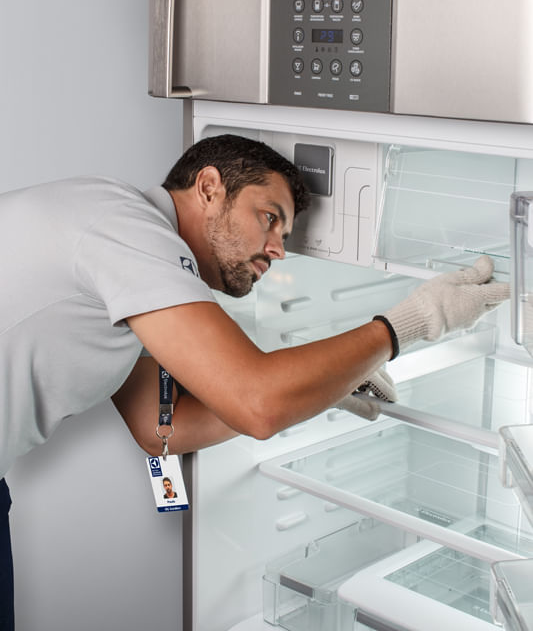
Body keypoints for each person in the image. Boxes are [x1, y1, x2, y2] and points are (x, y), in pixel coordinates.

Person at [0, 134, 509, 628]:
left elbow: (162, 427)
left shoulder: (136, 272)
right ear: (208, 187)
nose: (277, 249)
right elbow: (257, 402)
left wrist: (317, 388)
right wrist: (412, 321)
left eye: (284, 236)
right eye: (269, 218)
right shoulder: (122, 224)